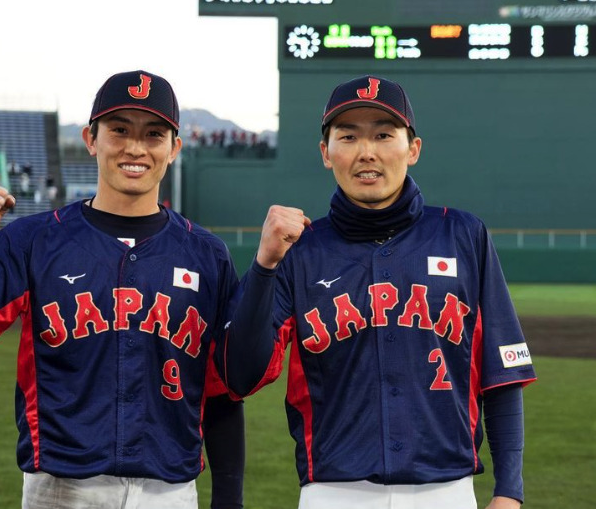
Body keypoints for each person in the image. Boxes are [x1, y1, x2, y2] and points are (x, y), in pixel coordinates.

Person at [0, 70, 244, 509]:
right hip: (60, 488)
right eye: (119, 130)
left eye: (153, 133)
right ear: (92, 139)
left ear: (174, 148)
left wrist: (229, 498)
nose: (135, 147)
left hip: (170, 492)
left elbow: (221, 389)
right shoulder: (33, 242)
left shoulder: (208, 255)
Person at [223, 75, 536, 509]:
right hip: (332, 493)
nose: (367, 152)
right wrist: (264, 267)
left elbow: (502, 374)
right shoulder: (298, 250)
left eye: (384, 135)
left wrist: (509, 492)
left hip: (445, 490)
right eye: (348, 136)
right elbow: (242, 375)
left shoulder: (464, 235)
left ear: (413, 148)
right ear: (325, 153)